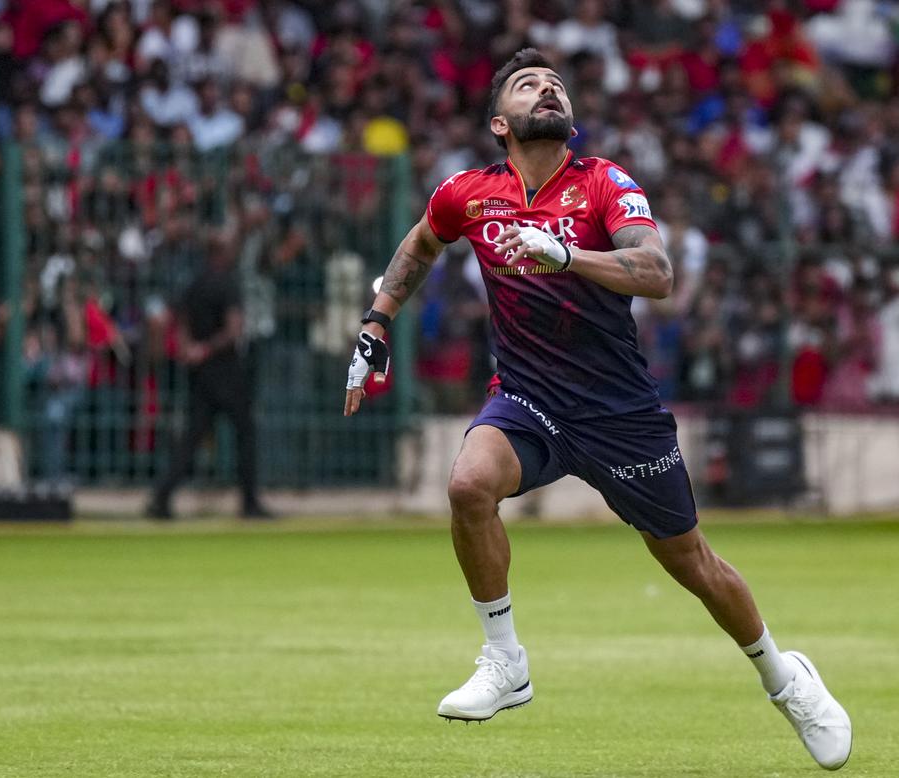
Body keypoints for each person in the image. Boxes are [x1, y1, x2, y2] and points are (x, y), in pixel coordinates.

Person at [342, 49, 851, 771]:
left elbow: (658, 274)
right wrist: (377, 319)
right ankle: (504, 660)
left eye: (556, 84)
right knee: (466, 484)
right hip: (529, 401)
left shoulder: (604, 182)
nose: (547, 89)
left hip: (620, 414)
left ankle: (783, 678)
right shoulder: (468, 194)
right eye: (527, 85)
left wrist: (567, 256)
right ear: (500, 122)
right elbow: (422, 241)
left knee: (692, 564)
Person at [147, 231, 269, 520]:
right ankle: (249, 502)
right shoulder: (228, 284)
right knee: (245, 432)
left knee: (193, 436)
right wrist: (207, 348)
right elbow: (234, 329)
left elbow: (181, 320)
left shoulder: (195, 283)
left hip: (201, 372)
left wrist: (191, 348)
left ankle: (162, 497)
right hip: (225, 368)